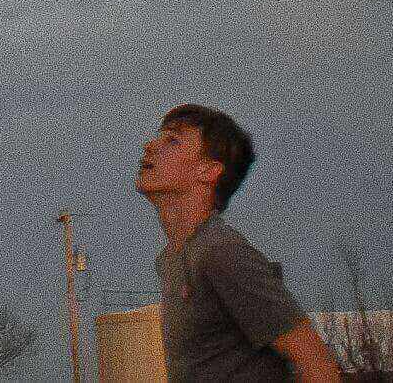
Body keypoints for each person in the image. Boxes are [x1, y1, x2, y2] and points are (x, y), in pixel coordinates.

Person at [137, 104, 343, 383]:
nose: (150, 146)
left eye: (172, 140)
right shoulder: (171, 260)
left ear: (208, 170)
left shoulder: (222, 252)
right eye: (159, 137)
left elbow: (317, 363)